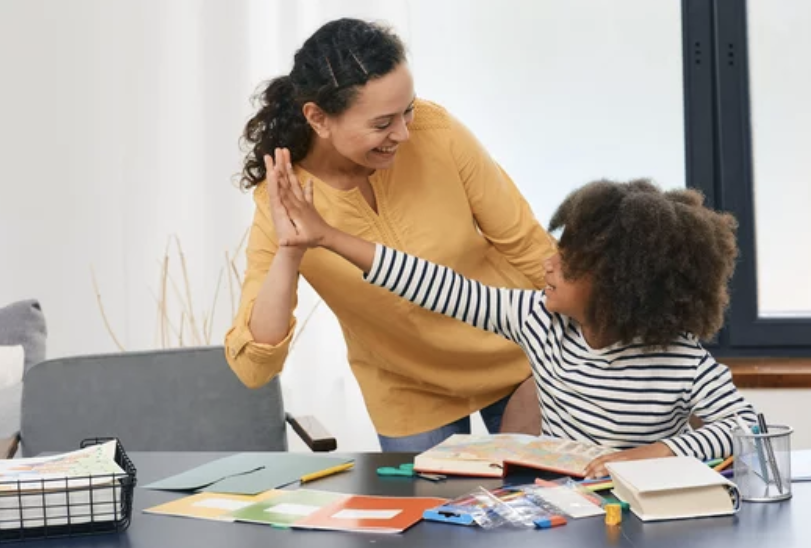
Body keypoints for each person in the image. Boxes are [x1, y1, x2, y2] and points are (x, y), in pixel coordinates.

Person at [272, 173, 758, 477]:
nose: (549, 263)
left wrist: (648, 455)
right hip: (565, 513)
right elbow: (436, 285)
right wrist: (330, 237)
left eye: (567, 261)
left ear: (617, 285)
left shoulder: (679, 358)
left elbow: (744, 426)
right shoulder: (539, 321)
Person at [224, 18, 558, 452]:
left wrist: (598, 341)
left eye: (408, 110)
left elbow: (528, 245)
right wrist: (290, 252)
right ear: (318, 118)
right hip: (409, 390)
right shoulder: (283, 198)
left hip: (518, 359)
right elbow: (255, 367)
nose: (403, 133)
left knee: (548, 507)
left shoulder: (436, 133)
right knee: (429, 520)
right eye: (382, 123)